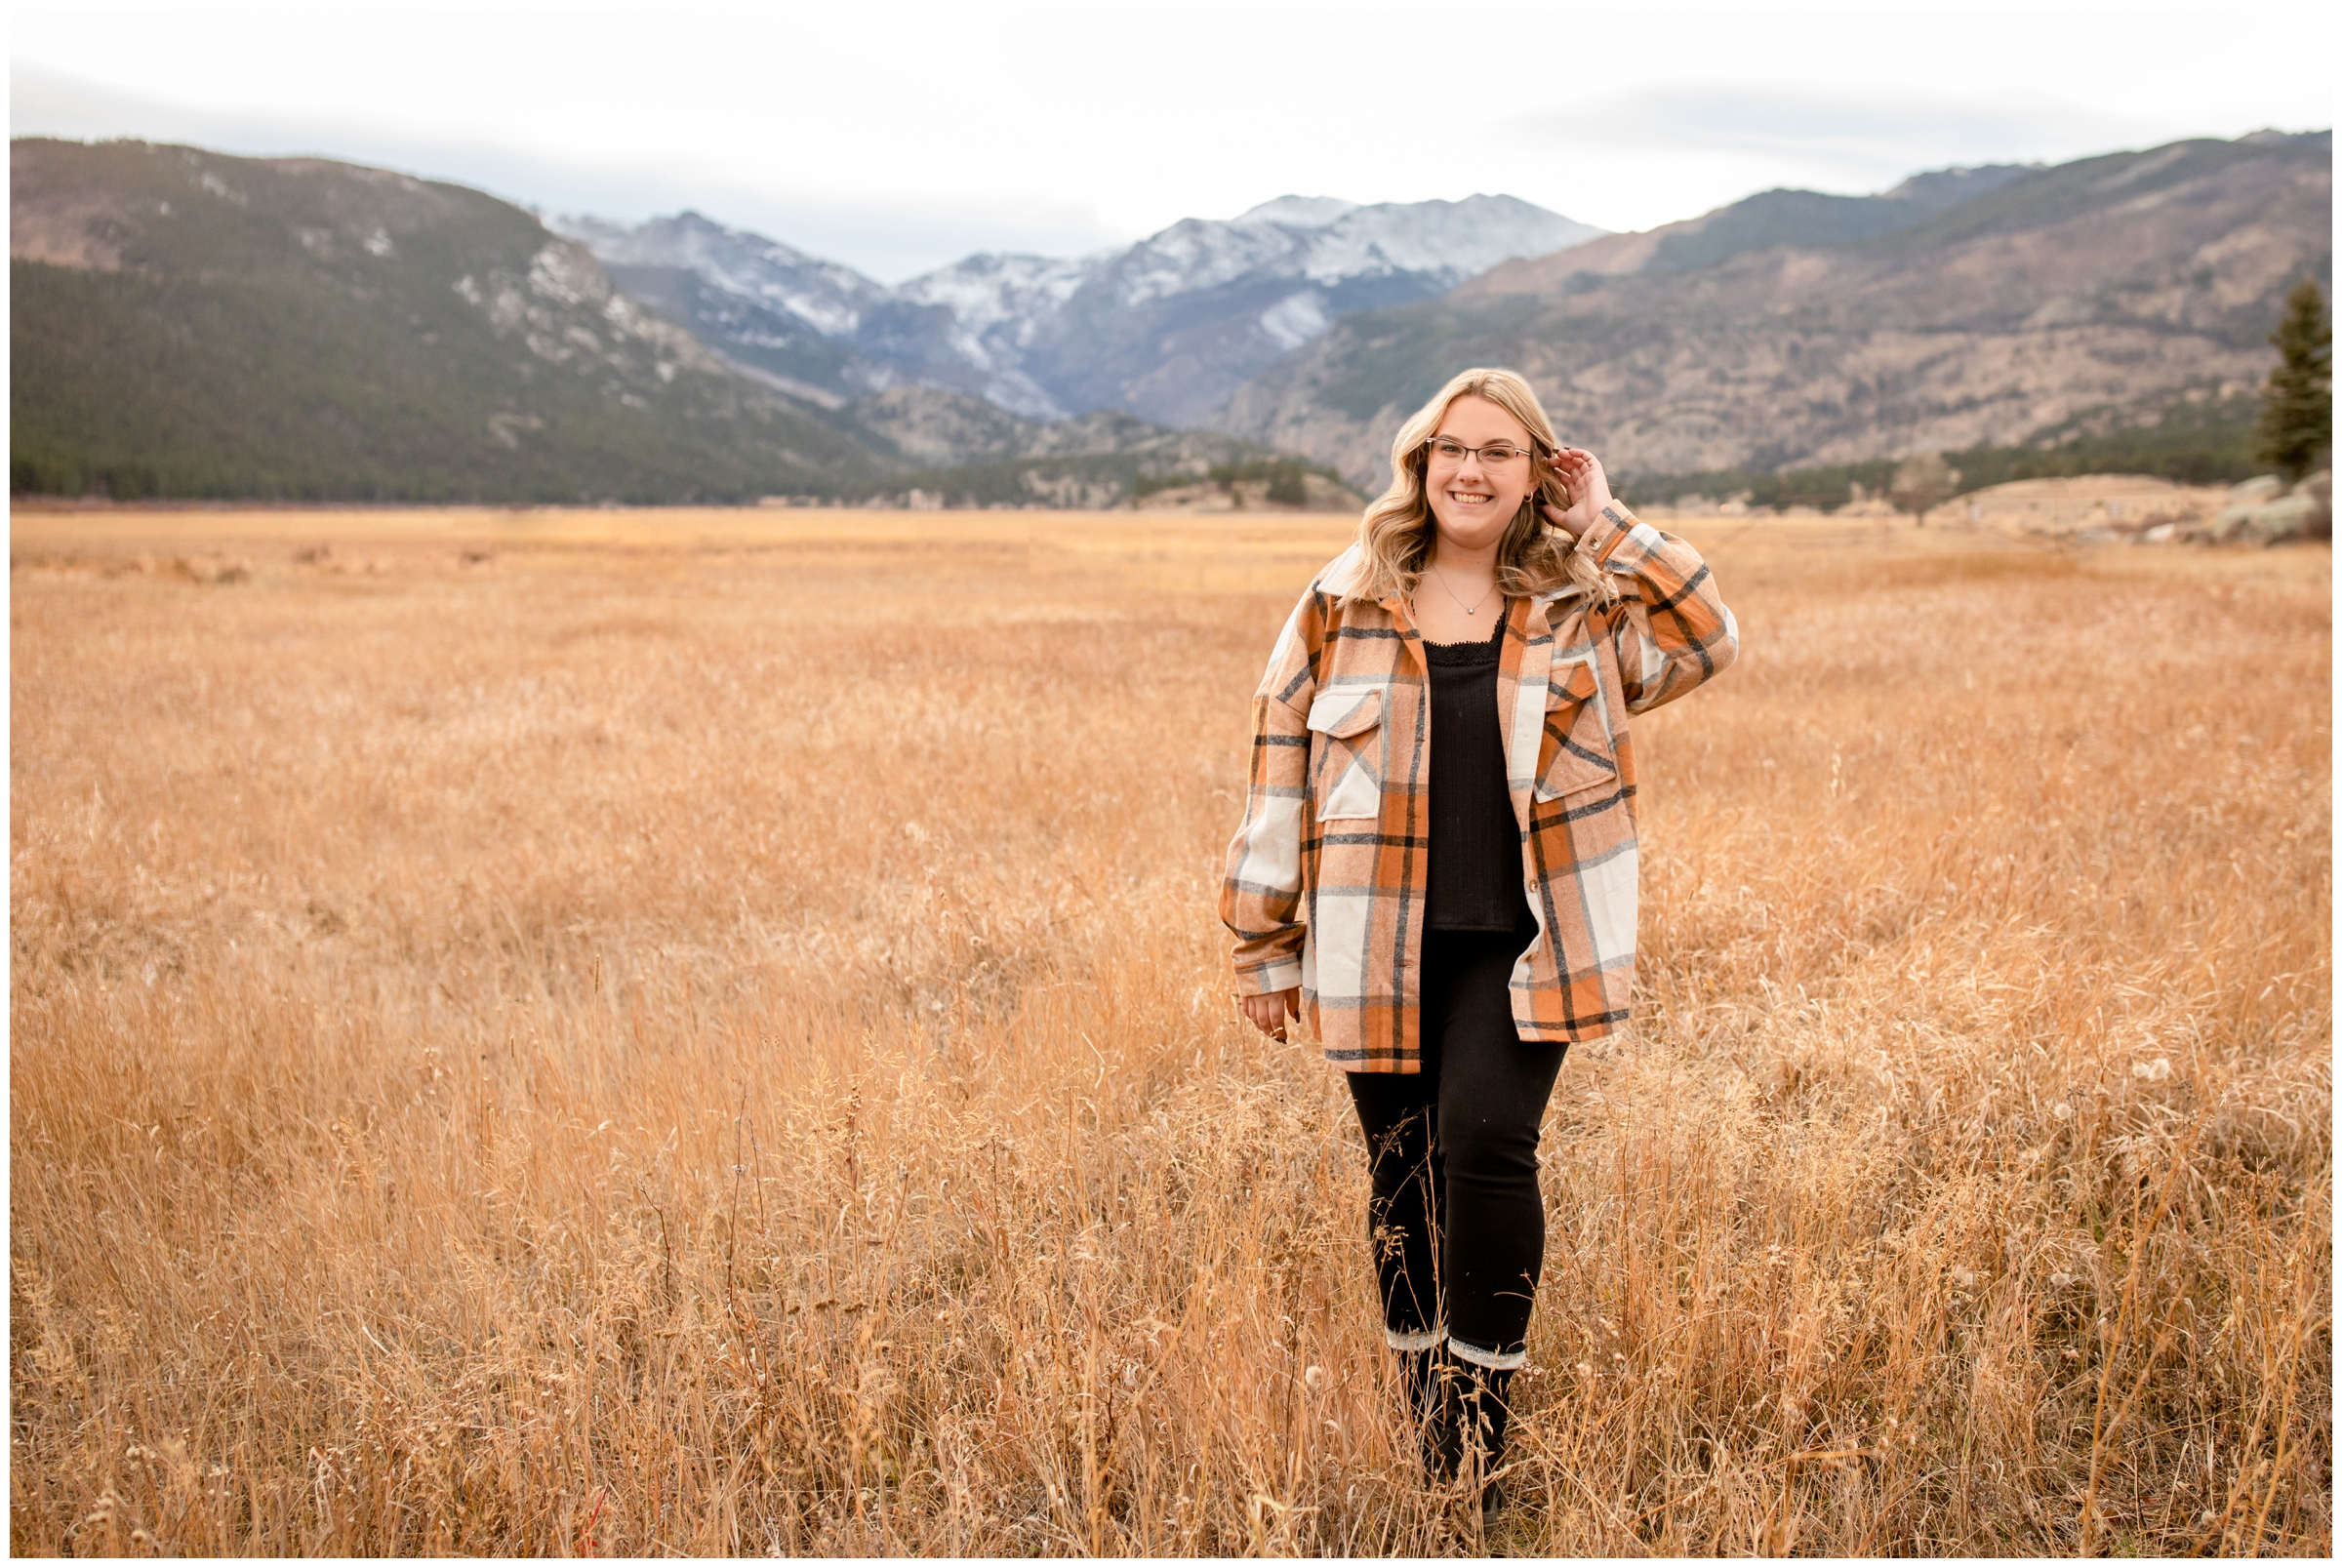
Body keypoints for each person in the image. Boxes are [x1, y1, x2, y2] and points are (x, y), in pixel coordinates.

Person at [1219, 367, 1737, 1520]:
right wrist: (1263, 943)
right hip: (1370, 943)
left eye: (1501, 452)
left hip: (1523, 944)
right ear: (1420, 461)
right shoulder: (1341, 601)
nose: (1470, 469)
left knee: (1487, 1143)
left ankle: (1481, 1446)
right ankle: (1427, 1431)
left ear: (1536, 471)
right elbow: (1277, 773)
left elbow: (1709, 632)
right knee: (1401, 1173)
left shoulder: (1583, 603)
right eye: (1453, 447)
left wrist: (1603, 519)